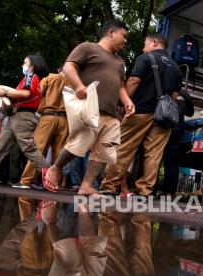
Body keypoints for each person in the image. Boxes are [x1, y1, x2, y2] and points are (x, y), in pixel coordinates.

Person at [42, 20, 134, 196]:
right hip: (90, 107)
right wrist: (78, 86)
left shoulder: (120, 61)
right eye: (124, 36)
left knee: (104, 150)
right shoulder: (88, 47)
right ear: (111, 32)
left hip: (113, 112)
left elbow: (121, 86)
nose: (125, 41)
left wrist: (127, 101)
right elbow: (69, 66)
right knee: (80, 142)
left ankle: (87, 185)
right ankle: (56, 168)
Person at [101, 32, 183, 197]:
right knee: (154, 154)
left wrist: (124, 103)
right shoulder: (176, 68)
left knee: (123, 148)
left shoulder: (145, 58)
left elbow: (133, 81)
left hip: (140, 111)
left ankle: (109, 187)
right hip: (163, 117)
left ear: (154, 43)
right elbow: (174, 97)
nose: (143, 48)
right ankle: (145, 192)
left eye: (145, 44)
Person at [0, 54, 51, 184]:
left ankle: (49, 175)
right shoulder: (32, 78)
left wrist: (4, 93)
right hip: (18, 115)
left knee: (28, 147)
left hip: (23, 116)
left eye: (25, 63)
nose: (23, 65)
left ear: (32, 66)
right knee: (1, 144)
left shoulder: (30, 76)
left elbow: (26, 93)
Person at [13, 70, 69, 189]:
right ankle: (53, 183)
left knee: (38, 149)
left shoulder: (50, 77)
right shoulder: (74, 83)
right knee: (59, 153)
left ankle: (27, 181)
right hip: (65, 119)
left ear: (60, 70)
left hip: (48, 116)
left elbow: (37, 93)